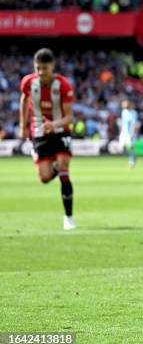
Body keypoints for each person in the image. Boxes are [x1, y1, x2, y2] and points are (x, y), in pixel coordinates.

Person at [19, 48, 76, 230]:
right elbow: (23, 100)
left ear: (52, 66)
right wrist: (23, 125)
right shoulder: (28, 83)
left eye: (45, 68)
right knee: (44, 178)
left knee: (64, 169)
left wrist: (54, 123)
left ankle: (69, 217)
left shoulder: (63, 85)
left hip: (60, 131)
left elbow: (69, 117)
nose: (42, 72)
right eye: (38, 68)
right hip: (39, 132)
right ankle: (53, 168)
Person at [119, 100, 138, 168]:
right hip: (123, 133)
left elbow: (134, 124)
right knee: (121, 148)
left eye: (125, 104)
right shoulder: (123, 112)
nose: (123, 106)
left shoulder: (133, 113)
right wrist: (121, 131)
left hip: (130, 133)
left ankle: (131, 162)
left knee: (130, 148)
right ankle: (133, 156)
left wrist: (132, 133)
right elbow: (123, 122)